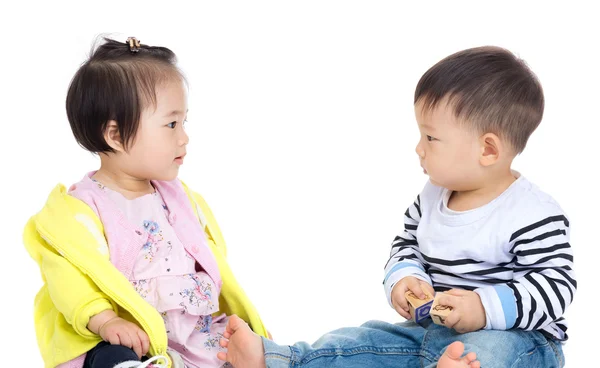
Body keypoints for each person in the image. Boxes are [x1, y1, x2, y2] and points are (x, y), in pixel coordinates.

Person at [217, 46, 574, 368]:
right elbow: (407, 245)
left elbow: (555, 286)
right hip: (427, 333)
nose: (419, 148)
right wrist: (406, 279)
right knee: (359, 342)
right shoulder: (434, 195)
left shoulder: (531, 213)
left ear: (488, 150)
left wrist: (481, 309)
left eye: (431, 138)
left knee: (488, 356)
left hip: (519, 341)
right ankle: (282, 360)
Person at [23, 36, 268, 368]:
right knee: (109, 355)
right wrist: (105, 320)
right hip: (129, 335)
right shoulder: (80, 211)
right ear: (116, 135)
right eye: (170, 124)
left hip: (193, 332)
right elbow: (69, 279)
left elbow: (208, 259)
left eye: (183, 122)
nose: (183, 137)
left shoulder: (181, 200)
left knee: (244, 349)